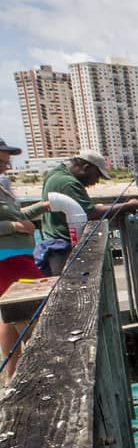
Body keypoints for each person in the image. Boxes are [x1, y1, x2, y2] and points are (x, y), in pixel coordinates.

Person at [40, 149, 138, 275]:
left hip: (55, 245)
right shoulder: (68, 183)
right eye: (97, 175)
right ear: (86, 167)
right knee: (72, 285)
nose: (97, 181)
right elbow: (90, 213)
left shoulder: (54, 174)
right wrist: (128, 206)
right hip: (64, 248)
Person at [0, 138, 49, 382]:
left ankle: (13, 374)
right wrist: (14, 227)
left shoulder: (2, 187)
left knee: (9, 315)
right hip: (8, 260)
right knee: (41, 305)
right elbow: (12, 222)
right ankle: (39, 368)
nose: (7, 166)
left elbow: (17, 215)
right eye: (2, 161)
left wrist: (42, 207)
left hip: (17, 257)